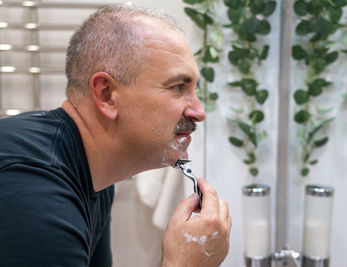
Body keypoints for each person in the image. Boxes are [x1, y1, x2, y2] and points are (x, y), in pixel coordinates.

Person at [0, 5, 231, 267]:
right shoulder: (34, 192)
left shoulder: (94, 172)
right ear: (106, 94)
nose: (199, 112)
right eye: (178, 87)